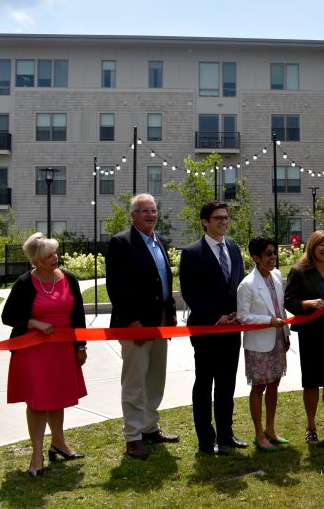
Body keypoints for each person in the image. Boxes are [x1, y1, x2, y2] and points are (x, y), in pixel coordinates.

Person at [2, 233, 87, 477]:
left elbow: (78, 316)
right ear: (37, 260)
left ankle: (59, 443)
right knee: (38, 402)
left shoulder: (69, 279)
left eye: (55, 253)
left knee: (57, 398)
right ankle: (36, 454)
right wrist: (33, 323)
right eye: (49, 255)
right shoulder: (24, 283)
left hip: (62, 350)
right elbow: (7, 316)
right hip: (33, 352)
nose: (55, 257)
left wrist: (80, 347)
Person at [106, 193, 179, 460]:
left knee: (155, 379)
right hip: (134, 325)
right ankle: (133, 437)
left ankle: (150, 428)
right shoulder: (121, 243)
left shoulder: (159, 241)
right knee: (135, 382)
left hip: (160, 323)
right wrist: (131, 320)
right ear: (133, 215)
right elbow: (116, 286)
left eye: (154, 210)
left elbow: (165, 283)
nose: (151, 215)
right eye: (145, 211)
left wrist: (170, 313)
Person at [179, 201, 247, 455]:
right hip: (207, 330)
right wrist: (217, 317)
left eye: (226, 217)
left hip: (232, 329)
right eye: (218, 218)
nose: (223, 222)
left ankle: (226, 435)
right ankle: (206, 440)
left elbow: (239, 285)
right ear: (205, 222)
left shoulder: (232, 247)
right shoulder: (192, 252)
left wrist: (239, 313)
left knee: (227, 384)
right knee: (205, 383)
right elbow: (191, 293)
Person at [284, 230, 324, 445]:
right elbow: (289, 301)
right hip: (311, 334)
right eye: (322, 245)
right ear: (312, 246)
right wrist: (308, 303)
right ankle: (311, 427)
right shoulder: (299, 271)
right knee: (311, 381)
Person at [236, 236, 290, 452]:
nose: (273, 257)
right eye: (268, 254)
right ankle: (259, 434)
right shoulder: (247, 284)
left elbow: (280, 307)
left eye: (274, 253)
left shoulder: (276, 276)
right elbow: (243, 317)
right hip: (259, 342)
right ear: (256, 257)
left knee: (275, 383)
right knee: (259, 387)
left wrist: (285, 332)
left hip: (277, 340)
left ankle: (270, 429)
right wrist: (268, 321)